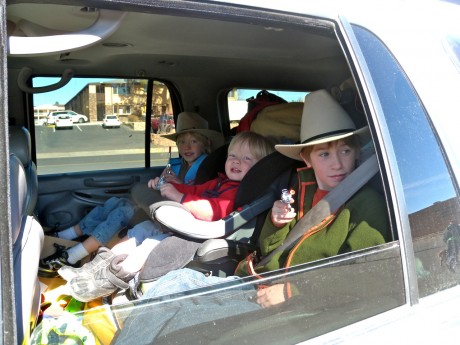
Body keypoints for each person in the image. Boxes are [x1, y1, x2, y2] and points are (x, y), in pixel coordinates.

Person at [111, 89, 391, 344]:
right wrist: (278, 224)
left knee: (179, 322)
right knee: (173, 282)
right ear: (306, 158)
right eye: (324, 154)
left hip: (298, 304)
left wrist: (291, 292)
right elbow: (269, 247)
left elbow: (380, 273)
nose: (338, 164)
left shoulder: (366, 206)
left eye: (345, 150)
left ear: (356, 152)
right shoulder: (299, 187)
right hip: (256, 281)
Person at [57, 131, 275, 301]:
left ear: (259, 169)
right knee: (138, 231)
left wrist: (179, 198)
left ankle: (111, 279)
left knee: (149, 243)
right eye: (232, 156)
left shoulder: (237, 192)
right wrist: (169, 186)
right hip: (181, 224)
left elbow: (212, 210)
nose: (236, 161)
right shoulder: (220, 181)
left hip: (194, 235)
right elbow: (196, 191)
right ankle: (93, 270)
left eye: (246, 158)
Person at [39, 112, 224, 277]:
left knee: (122, 211)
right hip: (160, 205)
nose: (186, 146)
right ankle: (66, 234)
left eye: (194, 141)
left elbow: (195, 197)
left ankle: (72, 256)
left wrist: (177, 185)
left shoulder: (205, 167)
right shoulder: (178, 164)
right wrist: (156, 183)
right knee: (114, 202)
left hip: (174, 215)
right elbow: (165, 185)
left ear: (206, 144)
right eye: (182, 141)